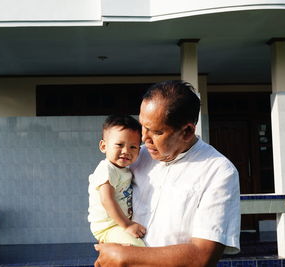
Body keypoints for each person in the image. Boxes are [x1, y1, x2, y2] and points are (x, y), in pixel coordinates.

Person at [94, 80, 240, 267]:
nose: (144, 138)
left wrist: (126, 255)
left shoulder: (218, 171)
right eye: (143, 127)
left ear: (187, 131)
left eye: (157, 132)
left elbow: (203, 256)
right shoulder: (137, 157)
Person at [88, 115, 147, 247]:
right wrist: (127, 225)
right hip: (108, 228)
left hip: (117, 225)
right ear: (103, 146)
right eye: (119, 145)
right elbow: (106, 200)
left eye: (133, 147)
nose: (126, 151)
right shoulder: (107, 169)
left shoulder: (124, 170)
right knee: (137, 248)